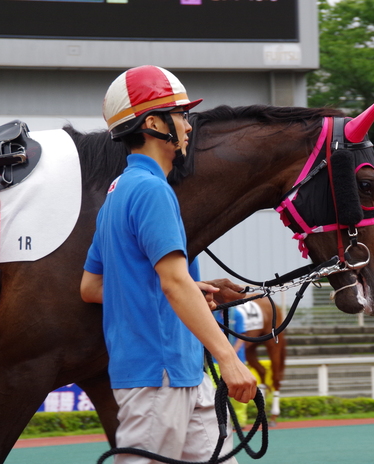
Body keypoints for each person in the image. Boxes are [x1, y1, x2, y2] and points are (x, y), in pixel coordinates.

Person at [80, 65, 257, 464]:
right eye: (181, 115)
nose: (189, 126)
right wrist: (229, 359)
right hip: (158, 375)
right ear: (155, 123)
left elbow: (92, 287)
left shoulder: (118, 193)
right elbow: (173, 283)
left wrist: (190, 289)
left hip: (181, 373)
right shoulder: (152, 191)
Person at [212, 306, 249, 428]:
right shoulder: (214, 313)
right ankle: (219, 421)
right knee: (213, 391)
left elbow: (241, 336)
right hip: (215, 361)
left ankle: (239, 421)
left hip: (236, 360)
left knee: (238, 391)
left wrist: (230, 355)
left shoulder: (237, 314)